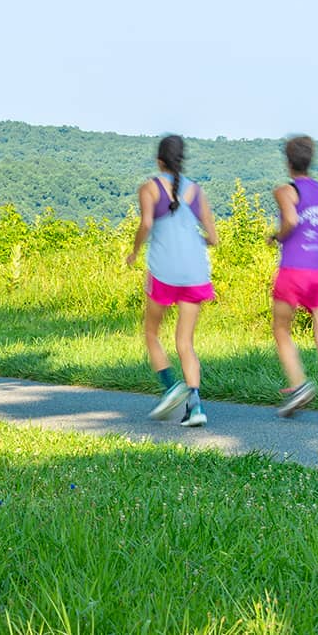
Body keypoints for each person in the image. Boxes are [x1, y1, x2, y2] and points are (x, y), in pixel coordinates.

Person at [124, 135, 219, 428]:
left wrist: (134, 251)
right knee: (185, 342)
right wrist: (194, 240)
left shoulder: (149, 188)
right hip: (195, 273)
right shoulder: (197, 192)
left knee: (151, 333)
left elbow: (147, 224)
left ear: (158, 159)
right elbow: (213, 239)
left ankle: (170, 388)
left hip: (164, 271)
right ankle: (196, 406)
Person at [269, 135, 318, 424]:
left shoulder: (285, 190)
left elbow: (290, 221)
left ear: (288, 162)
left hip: (297, 266)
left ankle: (300, 384)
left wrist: (277, 236)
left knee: (281, 327)